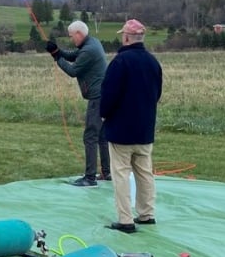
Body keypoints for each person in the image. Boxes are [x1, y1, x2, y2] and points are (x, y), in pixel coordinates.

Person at [100, 19, 163, 233]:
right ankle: (147, 214)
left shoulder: (120, 62)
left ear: (126, 37)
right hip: (145, 129)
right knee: (145, 174)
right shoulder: (153, 62)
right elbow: (157, 94)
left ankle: (125, 219)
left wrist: (103, 115)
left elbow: (109, 95)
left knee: (120, 175)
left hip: (121, 131)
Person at [46, 20, 111, 186]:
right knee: (102, 135)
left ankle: (90, 178)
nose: (71, 39)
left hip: (97, 97)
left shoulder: (89, 49)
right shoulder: (92, 43)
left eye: (72, 36)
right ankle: (107, 172)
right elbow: (74, 55)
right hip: (104, 94)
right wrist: (57, 52)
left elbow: (73, 71)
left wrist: (56, 58)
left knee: (90, 135)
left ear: (79, 34)